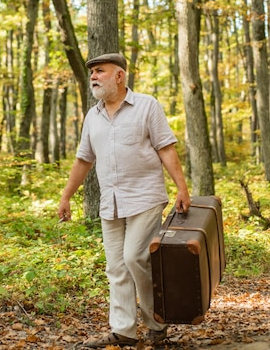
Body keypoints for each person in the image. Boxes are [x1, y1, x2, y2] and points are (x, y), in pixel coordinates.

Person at [57, 53, 191, 348]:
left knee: (135, 257)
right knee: (116, 267)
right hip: (111, 202)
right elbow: (83, 159)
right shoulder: (93, 116)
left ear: (119, 76)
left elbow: (166, 148)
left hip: (145, 196)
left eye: (100, 71)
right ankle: (124, 331)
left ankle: (156, 322)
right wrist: (66, 196)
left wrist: (182, 188)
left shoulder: (147, 106)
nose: (93, 76)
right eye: (91, 72)